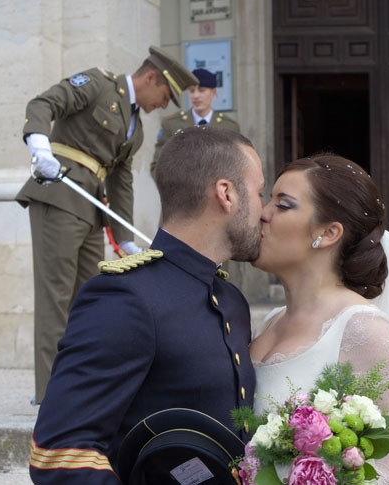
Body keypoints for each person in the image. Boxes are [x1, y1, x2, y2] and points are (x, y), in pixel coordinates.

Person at [28, 127, 265, 483]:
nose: (265, 210)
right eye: (260, 192)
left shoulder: (230, 300)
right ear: (226, 194)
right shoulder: (126, 299)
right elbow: (59, 454)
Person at [17, 46, 198, 403]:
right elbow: (43, 104)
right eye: (165, 95)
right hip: (59, 195)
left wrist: (125, 239)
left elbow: (121, 182)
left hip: (90, 210)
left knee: (89, 301)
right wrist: (40, 146)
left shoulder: (136, 129)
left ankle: (80, 386)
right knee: (56, 298)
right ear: (151, 77)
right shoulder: (98, 84)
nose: (163, 105)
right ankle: (52, 395)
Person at [249, 153, 389, 483]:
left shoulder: (362, 328)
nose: (263, 214)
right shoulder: (270, 322)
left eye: (283, 205)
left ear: (328, 233)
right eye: (268, 200)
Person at [150, 68, 240, 177]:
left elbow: (237, 165)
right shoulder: (172, 125)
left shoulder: (228, 126)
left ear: (214, 92)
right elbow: (158, 166)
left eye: (201, 90)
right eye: (192, 91)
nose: (196, 96)